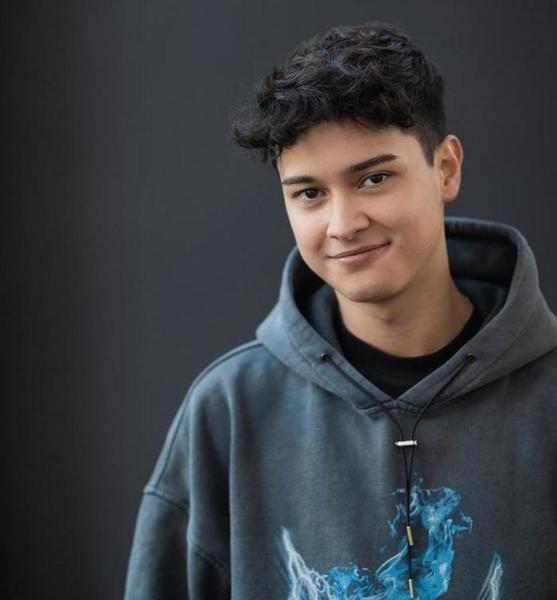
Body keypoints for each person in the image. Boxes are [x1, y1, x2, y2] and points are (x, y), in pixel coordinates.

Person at [123, 20, 557, 599]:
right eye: (309, 193)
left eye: (374, 178)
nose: (343, 224)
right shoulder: (229, 411)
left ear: (446, 169)